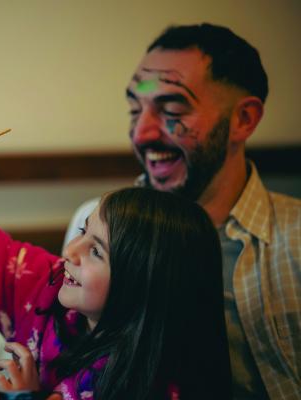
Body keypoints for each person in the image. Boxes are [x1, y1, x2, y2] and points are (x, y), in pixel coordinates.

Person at [67, 23, 301, 399]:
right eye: (134, 109)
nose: (141, 133)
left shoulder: (296, 239)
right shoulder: (91, 226)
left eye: (172, 108)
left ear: (244, 120)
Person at [0, 135, 232, 399]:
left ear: (146, 286)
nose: (71, 252)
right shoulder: (46, 286)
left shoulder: (156, 385)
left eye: (97, 253)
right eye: (82, 232)